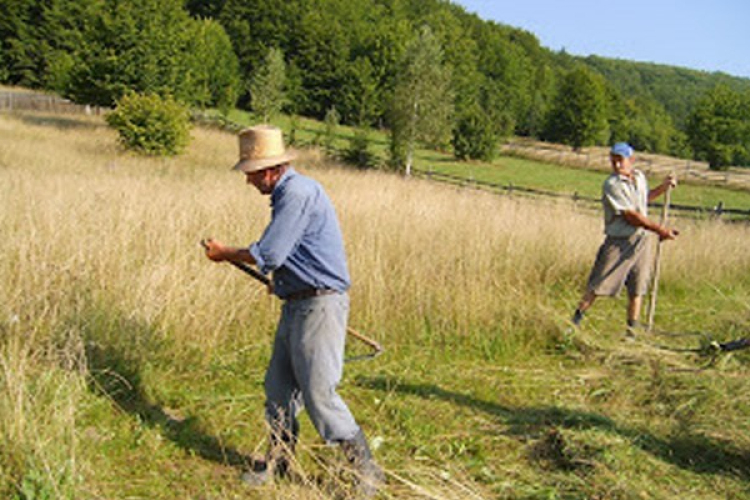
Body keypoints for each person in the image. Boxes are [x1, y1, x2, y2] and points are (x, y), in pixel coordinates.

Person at [203, 125, 383, 495]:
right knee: (279, 388)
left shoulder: (297, 194)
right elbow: (289, 255)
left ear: (269, 170)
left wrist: (224, 254)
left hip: (319, 306)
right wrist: (283, 281)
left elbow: (268, 253)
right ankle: (280, 461)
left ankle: (366, 472)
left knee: (319, 394)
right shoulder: (291, 194)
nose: (249, 181)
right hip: (298, 303)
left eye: (251, 173)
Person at [571, 142, 679, 336]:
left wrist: (663, 187)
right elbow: (631, 216)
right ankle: (573, 326)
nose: (617, 166)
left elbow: (644, 199)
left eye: (620, 161)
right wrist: (660, 230)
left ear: (631, 160)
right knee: (598, 284)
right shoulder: (612, 184)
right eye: (613, 161)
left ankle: (631, 332)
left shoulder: (639, 178)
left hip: (642, 240)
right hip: (619, 242)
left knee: (638, 287)